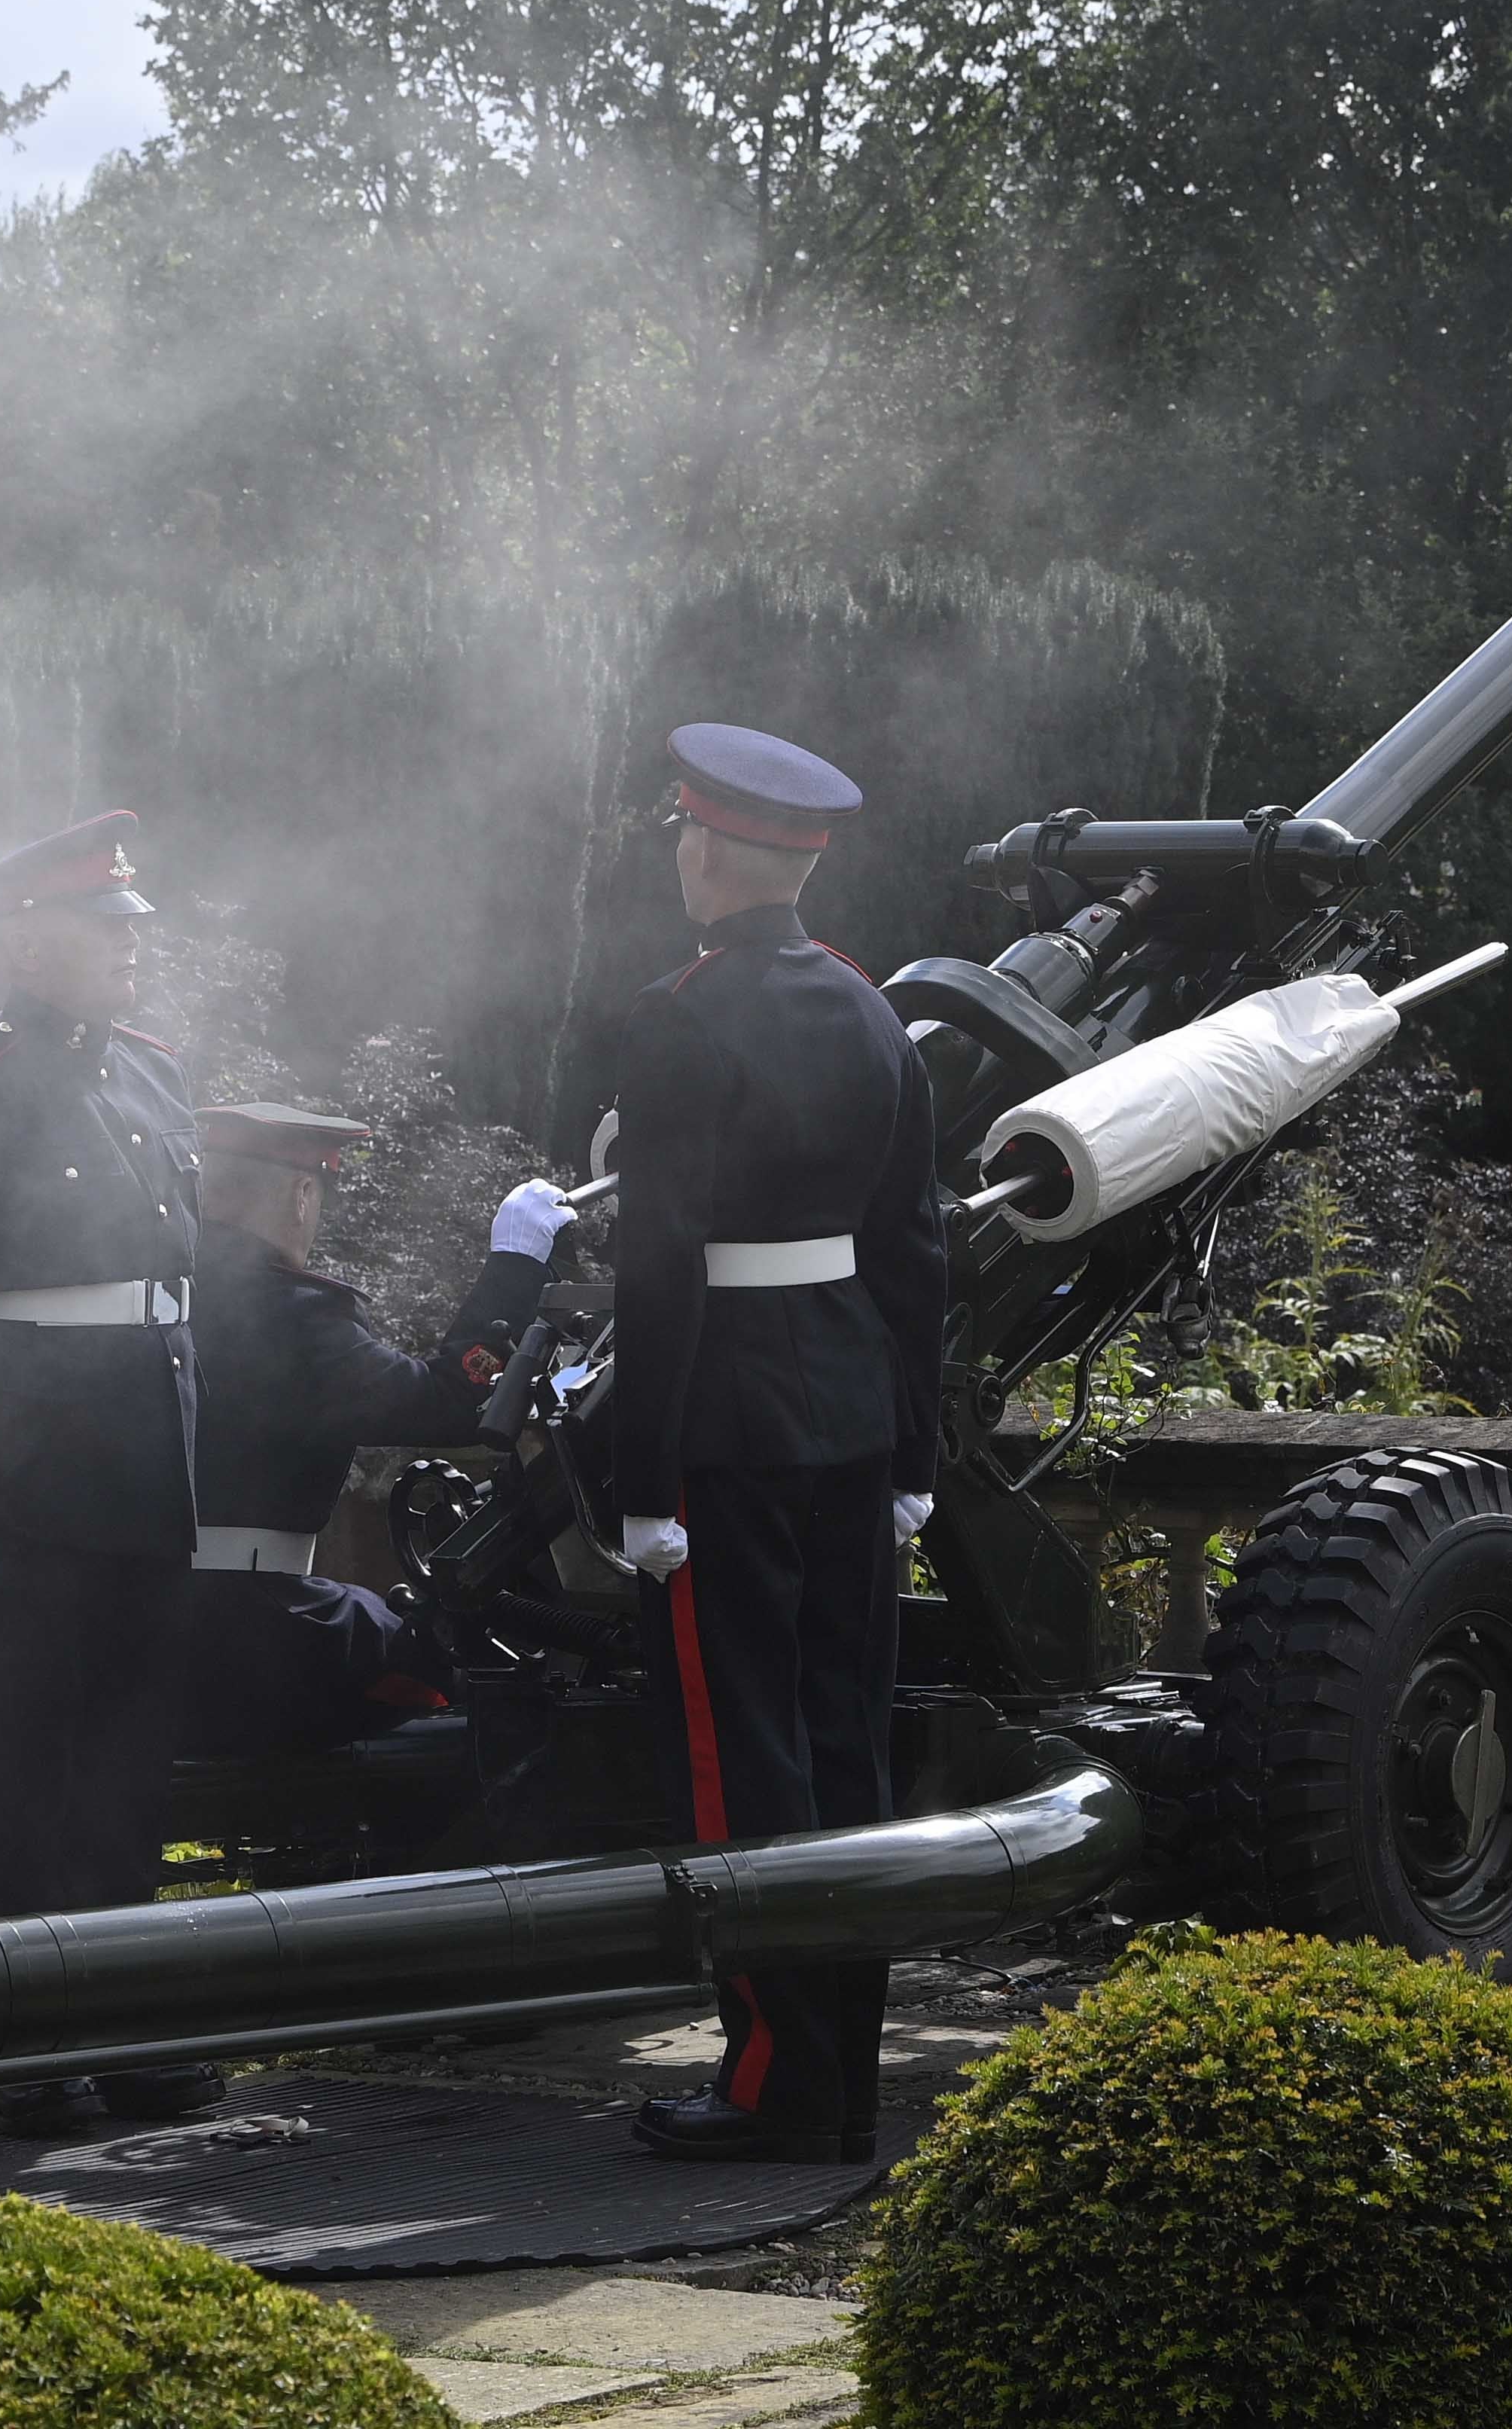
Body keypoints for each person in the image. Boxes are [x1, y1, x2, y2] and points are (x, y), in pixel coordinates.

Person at [608, 723, 949, 2166]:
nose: (679, 859)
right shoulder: (871, 1012)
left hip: (730, 1422)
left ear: (713, 850)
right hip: (850, 1414)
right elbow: (916, 1252)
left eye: (685, 837)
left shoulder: (679, 1016)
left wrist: (639, 1481)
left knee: (742, 1754)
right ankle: (841, 2080)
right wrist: (917, 1454)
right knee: (841, 1751)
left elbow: (658, 1265)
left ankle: (768, 2080)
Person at [0, 811, 214, 2123]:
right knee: (8, 1776)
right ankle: (10, 2044)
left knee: (125, 1773)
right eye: (101, 922)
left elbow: (179, 1298)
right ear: (20, 941)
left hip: (135, 1472)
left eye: (135, 920)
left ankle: (125, 2025)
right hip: (23, 1481)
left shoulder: (152, 1077)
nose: (133, 942)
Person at [179, 1103, 567, 1756]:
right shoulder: (296, 1318)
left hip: (120, 1622)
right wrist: (515, 1267)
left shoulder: (146, 1295)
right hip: (250, 1639)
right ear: (304, 1195)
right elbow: (454, 1404)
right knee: (483, 1691)